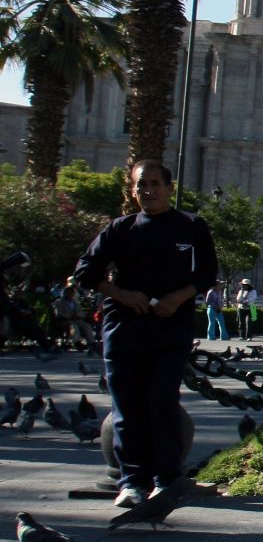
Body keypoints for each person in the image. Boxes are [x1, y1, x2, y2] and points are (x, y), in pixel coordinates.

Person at [72, 159, 218, 509]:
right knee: (127, 406)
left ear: (170, 187)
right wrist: (122, 294)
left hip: (171, 327)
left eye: (155, 184)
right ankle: (132, 481)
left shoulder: (192, 226)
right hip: (124, 327)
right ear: (133, 190)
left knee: (162, 401)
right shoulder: (119, 229)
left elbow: (207, 274)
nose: (148, 191)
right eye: (141, 185)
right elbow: (85, 272)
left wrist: (176, 298)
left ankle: (166, 479)